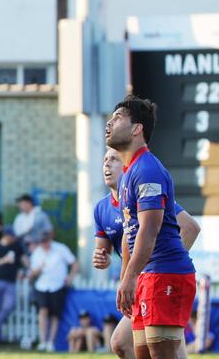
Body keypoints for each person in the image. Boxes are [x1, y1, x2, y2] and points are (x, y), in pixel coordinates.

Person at [106, 95, 196, 359]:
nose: (109, 124)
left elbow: (149, 229)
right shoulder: (128, 174)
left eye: (118, 118)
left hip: (165, 274)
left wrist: (131, 276)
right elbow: (129, 233)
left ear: (137, 129)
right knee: (139, 354)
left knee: (163, 355)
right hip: (147, 276)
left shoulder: (147, 169)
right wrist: (127, 277)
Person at [28, 231, 77, 351]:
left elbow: (74, 263)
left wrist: (70, 277)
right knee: (43, 311)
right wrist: (39, 268)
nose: (44, 244)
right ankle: (43, 341)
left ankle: (51, 342)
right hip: (42, 285)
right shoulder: (37, 253)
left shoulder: (60, 249)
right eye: (42, 242)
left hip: (57, 286)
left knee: (55, 314)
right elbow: (32, 273)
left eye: (46, 241)